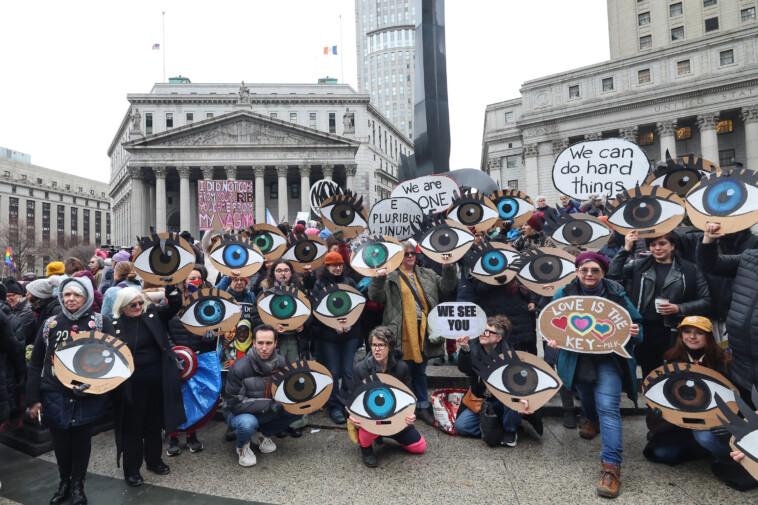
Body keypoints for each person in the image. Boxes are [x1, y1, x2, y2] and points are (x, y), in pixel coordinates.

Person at [546, 251, 642, 498]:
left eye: (595, 270)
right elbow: (549, 324)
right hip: (577, 359)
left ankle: (611, 468)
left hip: (609, 359)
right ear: (577, 271)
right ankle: (591, 419)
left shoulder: (616, 294)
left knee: (608, 406)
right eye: (584, 270)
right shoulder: (564, 294)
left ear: (603, 273)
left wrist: (633, 331)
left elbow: (638, 327)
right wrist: (553, 341)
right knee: (587, 399)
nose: (589, 274)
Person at [27, 277, 116, 505]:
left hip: (86, 395)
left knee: (81, 441)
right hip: (54, 392)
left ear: (86, 297)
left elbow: (113, 359)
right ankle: (64, 482)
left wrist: (97, 386)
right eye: (67, 294)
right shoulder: (50, 324)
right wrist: (34, 399)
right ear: (60, 297)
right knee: (61, 443)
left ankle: (78, 485)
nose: (71, 299)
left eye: (77, 294)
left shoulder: (100, 322)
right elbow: (37, 363)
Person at [642, 316, 748, 483]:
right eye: (687, 332)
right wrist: (660, 414)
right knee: (662, 453)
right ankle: (701, 449)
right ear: (681, 335)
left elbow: (736, 400)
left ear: (709, 336)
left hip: (712, 423)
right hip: (681, 423)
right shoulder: (670, 358)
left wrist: (727, 425)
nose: (692, 337)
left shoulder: (725, 362)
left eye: (699, 333)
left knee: (704, 437)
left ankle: (724, 456)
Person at [368, 241, 457, 426]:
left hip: (423, 330)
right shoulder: (391, 276)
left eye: (413, 253)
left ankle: (423, 405)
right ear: (399, 257)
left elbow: (447, 287)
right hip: (399, 332)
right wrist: (378, 278)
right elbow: (376, 297)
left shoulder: (428, 274)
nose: (410, 256)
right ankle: (402, 406)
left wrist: (448, 267)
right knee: (400, 370)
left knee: (420, 370)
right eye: (406, 253)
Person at [111, 286, 185, 487]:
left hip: (156, 381)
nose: (137, 307)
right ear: (122, 306)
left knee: (154, 424)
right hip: (130, 385)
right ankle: (132, 470)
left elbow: (173, 307)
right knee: (132, 428)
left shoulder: (152, 315)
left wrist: (172, 292)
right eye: (132, 304)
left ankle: (154, 461)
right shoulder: (113, 324)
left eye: (140, 303)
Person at [609, 231, 710, 376]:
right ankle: (650, 397)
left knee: (675, 371)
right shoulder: (640, 265)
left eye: (662, 244)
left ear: (672, 246)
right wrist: (626, 248)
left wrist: (678, 308)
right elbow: (613, 272)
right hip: (646, 327)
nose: (657, 248)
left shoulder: (690, 270)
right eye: (653, 245)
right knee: (649, 371)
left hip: (674, 329)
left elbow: (706, 301)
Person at [224, 324, 303, 467]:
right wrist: (269, 404)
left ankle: (259, 434)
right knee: (247, 424)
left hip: (266, 409)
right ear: (254, 343)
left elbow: (287, 391)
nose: (264, 347)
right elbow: (234, 404)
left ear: (275, 343)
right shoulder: (239, 368)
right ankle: (242, 446)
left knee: (298, 410)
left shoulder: (282, 363)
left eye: (268, 343)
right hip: (239, 413)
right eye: (260, 343)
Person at [697, 223, 758, 402]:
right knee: (745, 421)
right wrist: (709, 240)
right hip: (742, 365)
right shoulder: (750, 258)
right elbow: (711, 264)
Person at [349, 326, 425, 467]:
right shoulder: (360, 368)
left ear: (390, 347)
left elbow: (410, 396)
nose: (377, 349)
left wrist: (411, 414)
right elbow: (349, 398)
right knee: (366, 433)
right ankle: (366, 449)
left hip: (395, 416)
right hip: (370, 417)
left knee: (419, 447)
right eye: (373, 345)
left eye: (381, 345)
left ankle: (388, 434)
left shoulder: (401, 368)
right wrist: (351, 415)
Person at [455, 315, 534, 447]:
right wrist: (465, 349)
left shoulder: (509, 355)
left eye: (488, 331)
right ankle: (495, 428)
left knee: (512, 400)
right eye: (482, 330)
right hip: (481, 400)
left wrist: (520, 398)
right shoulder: (474, 348)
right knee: (462, 426)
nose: (483, 334)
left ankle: (510, 430)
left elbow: (520, 384)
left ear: (499, 337)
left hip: (503, 401)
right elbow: (465, 369)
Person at [165, 265, 215, 456]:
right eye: (189, 278)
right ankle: (173, 437)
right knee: (174, 398)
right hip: (175, 358)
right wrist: (171, 351)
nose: (192, 281)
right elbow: (162, 328)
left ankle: (192, 435)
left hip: (197, 357)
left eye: (196, 278)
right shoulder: (172, 301)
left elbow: (212, 326)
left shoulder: (207, 302)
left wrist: (208, 339)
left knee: (194, 397)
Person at [311, 252, 362, 425]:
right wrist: (333, 325)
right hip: (329, 336)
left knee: (348, 370)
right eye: (333, 265)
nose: (337, 268)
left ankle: (346, 403)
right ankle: (334, 406)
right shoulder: (320, 284)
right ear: (326, 266)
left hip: (350, 334)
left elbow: (357, 305)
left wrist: (349, 325)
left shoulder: (350, 282)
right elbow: (317, 310)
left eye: (339, 264)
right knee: (332, 371)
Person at [25, 278, 62, 344]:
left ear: (37, 296)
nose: (26, 297)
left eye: (28, 294)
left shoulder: (54, 310)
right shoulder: (41, 309)